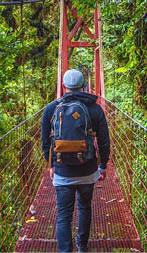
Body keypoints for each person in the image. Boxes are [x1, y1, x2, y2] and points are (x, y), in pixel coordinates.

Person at [41, 69, 110, 252]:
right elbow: (104, 140)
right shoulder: (95, 109)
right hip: (87, 171)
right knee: (85, 207)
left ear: (64, 86)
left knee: (64, 214)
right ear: (84, 86)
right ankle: (82, 246)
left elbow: (45, 142)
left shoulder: (51, 109)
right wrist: (102, 166)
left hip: (62, 171)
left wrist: (52, 166)